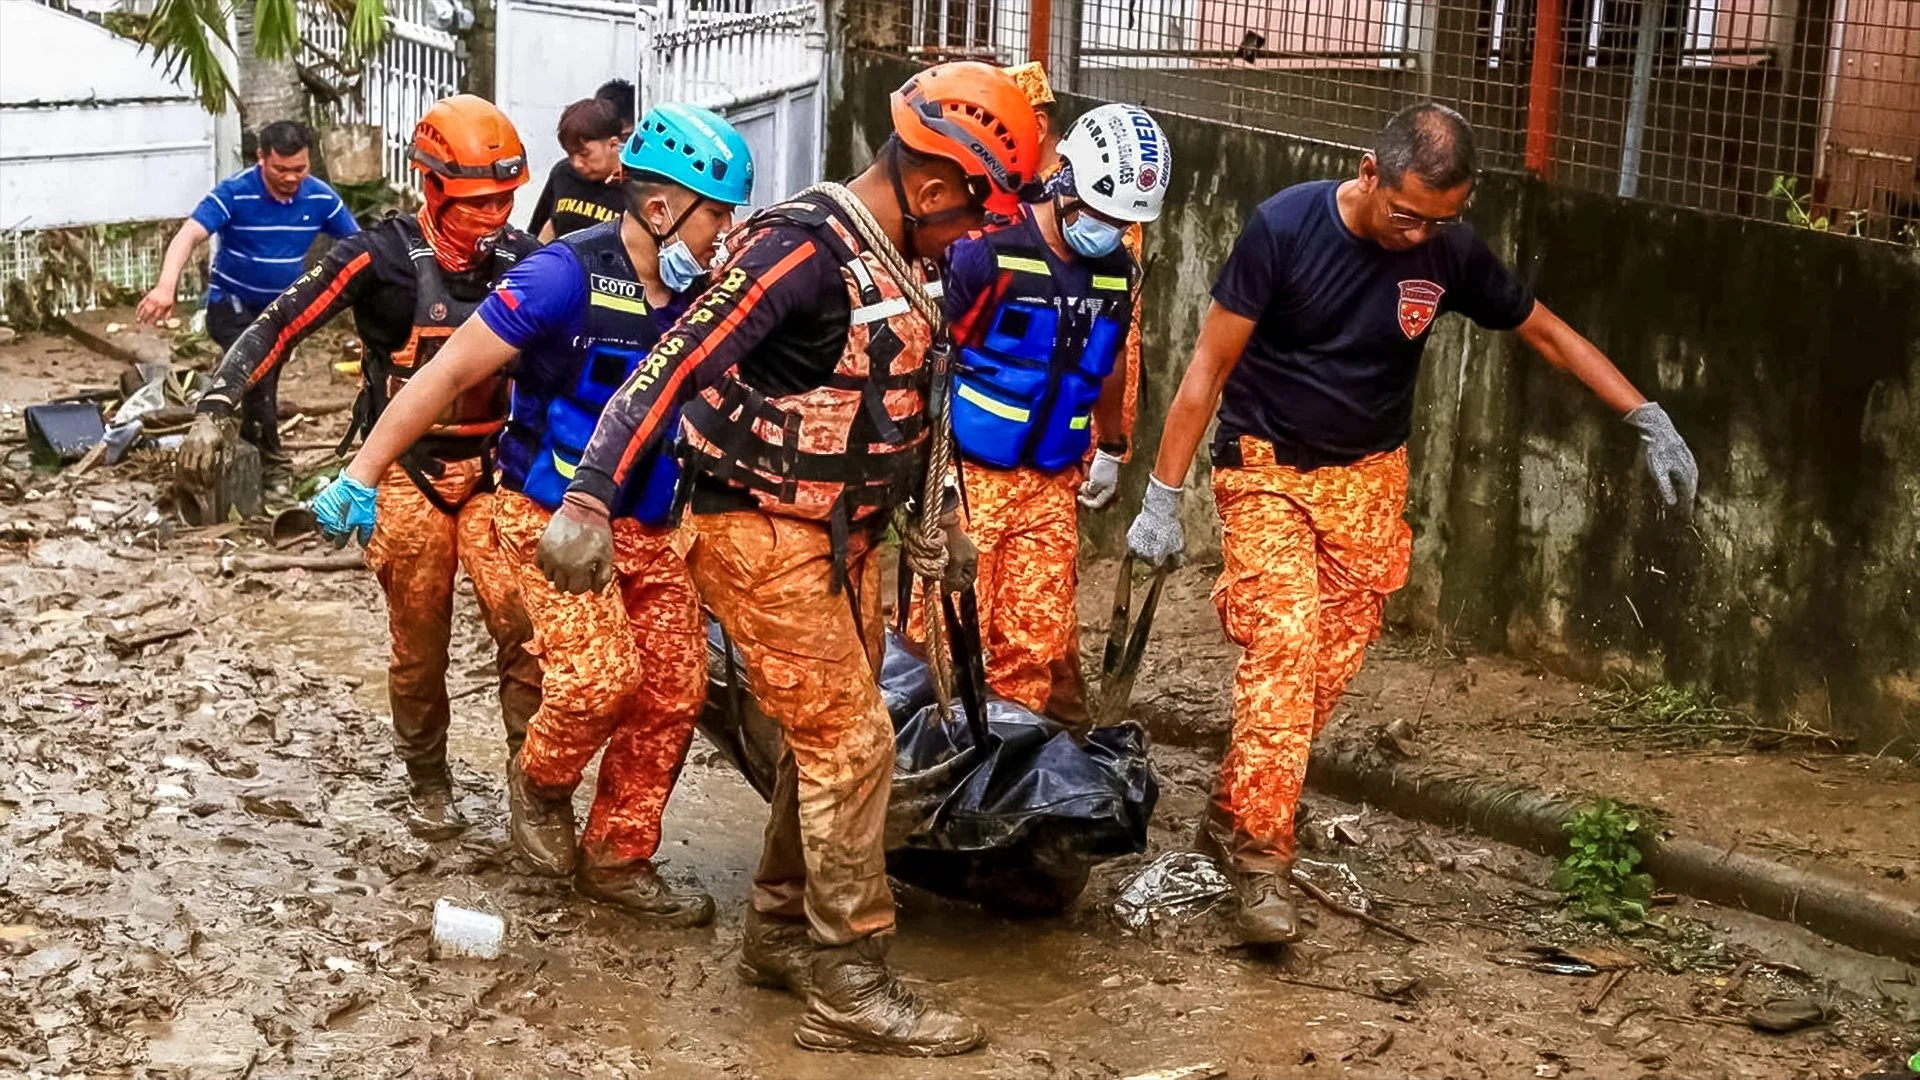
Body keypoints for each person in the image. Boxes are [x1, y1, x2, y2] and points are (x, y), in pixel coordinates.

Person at [535, 62, 1041, 1057]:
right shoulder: (798, 249)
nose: (978, 236)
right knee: (857, 743)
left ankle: (778, 929)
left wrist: (944, 513)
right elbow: (674, 358)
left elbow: (917, 399)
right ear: (936, 187)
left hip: (841, 533)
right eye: (974, 213)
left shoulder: (913, 256)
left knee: (829, 739)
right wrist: (589, 497)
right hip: (757, 529)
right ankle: (849, 978)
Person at [1124, 103, 1701, 946]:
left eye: (1442, 219)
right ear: (1368, 172)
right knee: (1284, 648)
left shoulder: (1445, 250)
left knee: (1323, 674)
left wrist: (1643, 412)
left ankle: (1234, 811)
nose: (1420, 234)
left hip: (1369, 479)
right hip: (1268, 471)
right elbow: (1209, 367)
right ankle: (1258, 862)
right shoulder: (1282, 228)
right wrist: (1161, 496)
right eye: (1408, 214)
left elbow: (1540, 328)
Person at [315, 104, 752, 926]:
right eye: (717, 215)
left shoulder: (710, 294)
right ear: (661, 211)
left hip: (651, 527)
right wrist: (364, 472)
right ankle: (540, 785)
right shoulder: (562, 275)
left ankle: (619, 857)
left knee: (672, 692)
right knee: (596, 679)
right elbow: (443, 373)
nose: (725, 234)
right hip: (544, 518)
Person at [177, 96, 541, 841]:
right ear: (431, 186)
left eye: (506, 198)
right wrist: (217, 404)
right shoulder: (378, 258)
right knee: (419, 641)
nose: (495, 215)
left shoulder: (529, 260)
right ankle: (428, 778)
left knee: (526, 628)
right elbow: (281, 322)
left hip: (498, 469)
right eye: (478, 201)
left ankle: (532, 786)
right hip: (405, 469)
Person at [923, 102, 1169, 724]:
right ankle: (923, 782)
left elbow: (1107, 360)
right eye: (1101, 213)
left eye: (1123, 223)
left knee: (1032, 645)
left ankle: (1001, 787)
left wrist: (1111, 448)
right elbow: (925, 355)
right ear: (1065, 180)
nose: (1108, 231)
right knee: (946, 640)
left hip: (1052, 486)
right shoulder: (984, 255)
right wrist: (930, 473)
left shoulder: (1117, 271)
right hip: (969, 477)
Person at [138, 121, 359, 474]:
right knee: (260, 369)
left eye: (299, 169)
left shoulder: (320, 198)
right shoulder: (235, 192)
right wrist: (166, 286)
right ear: (261, 158)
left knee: (258, 378)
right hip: (231, 306)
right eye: (280, 169)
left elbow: (358, 245)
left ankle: (239, 437)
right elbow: (188, 235)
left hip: (282, 313)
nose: (290, 177)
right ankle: (270, 461)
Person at [526, 97, 629, 242]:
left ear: (613, 144)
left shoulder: (635, 188)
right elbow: (540, 230)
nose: (576, 163)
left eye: (584, 154)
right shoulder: (563, 174)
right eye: (570, 154)